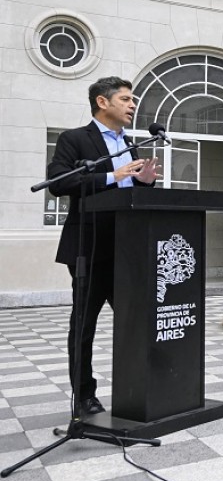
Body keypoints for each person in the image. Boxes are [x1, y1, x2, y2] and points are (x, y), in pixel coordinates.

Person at [47, 76, 161, 415]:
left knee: (139, 319)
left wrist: (144, 184)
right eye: (125, 99)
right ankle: (84, 396)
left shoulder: (130, 144)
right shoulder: (75, 139)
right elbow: (58, 182)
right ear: (102, 102)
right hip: (90, 247)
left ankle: (143, 385)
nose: (132, 105)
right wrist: (115, 175)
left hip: (127, 247)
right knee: (84, 325)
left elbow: (130, 194)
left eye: (133, 100)